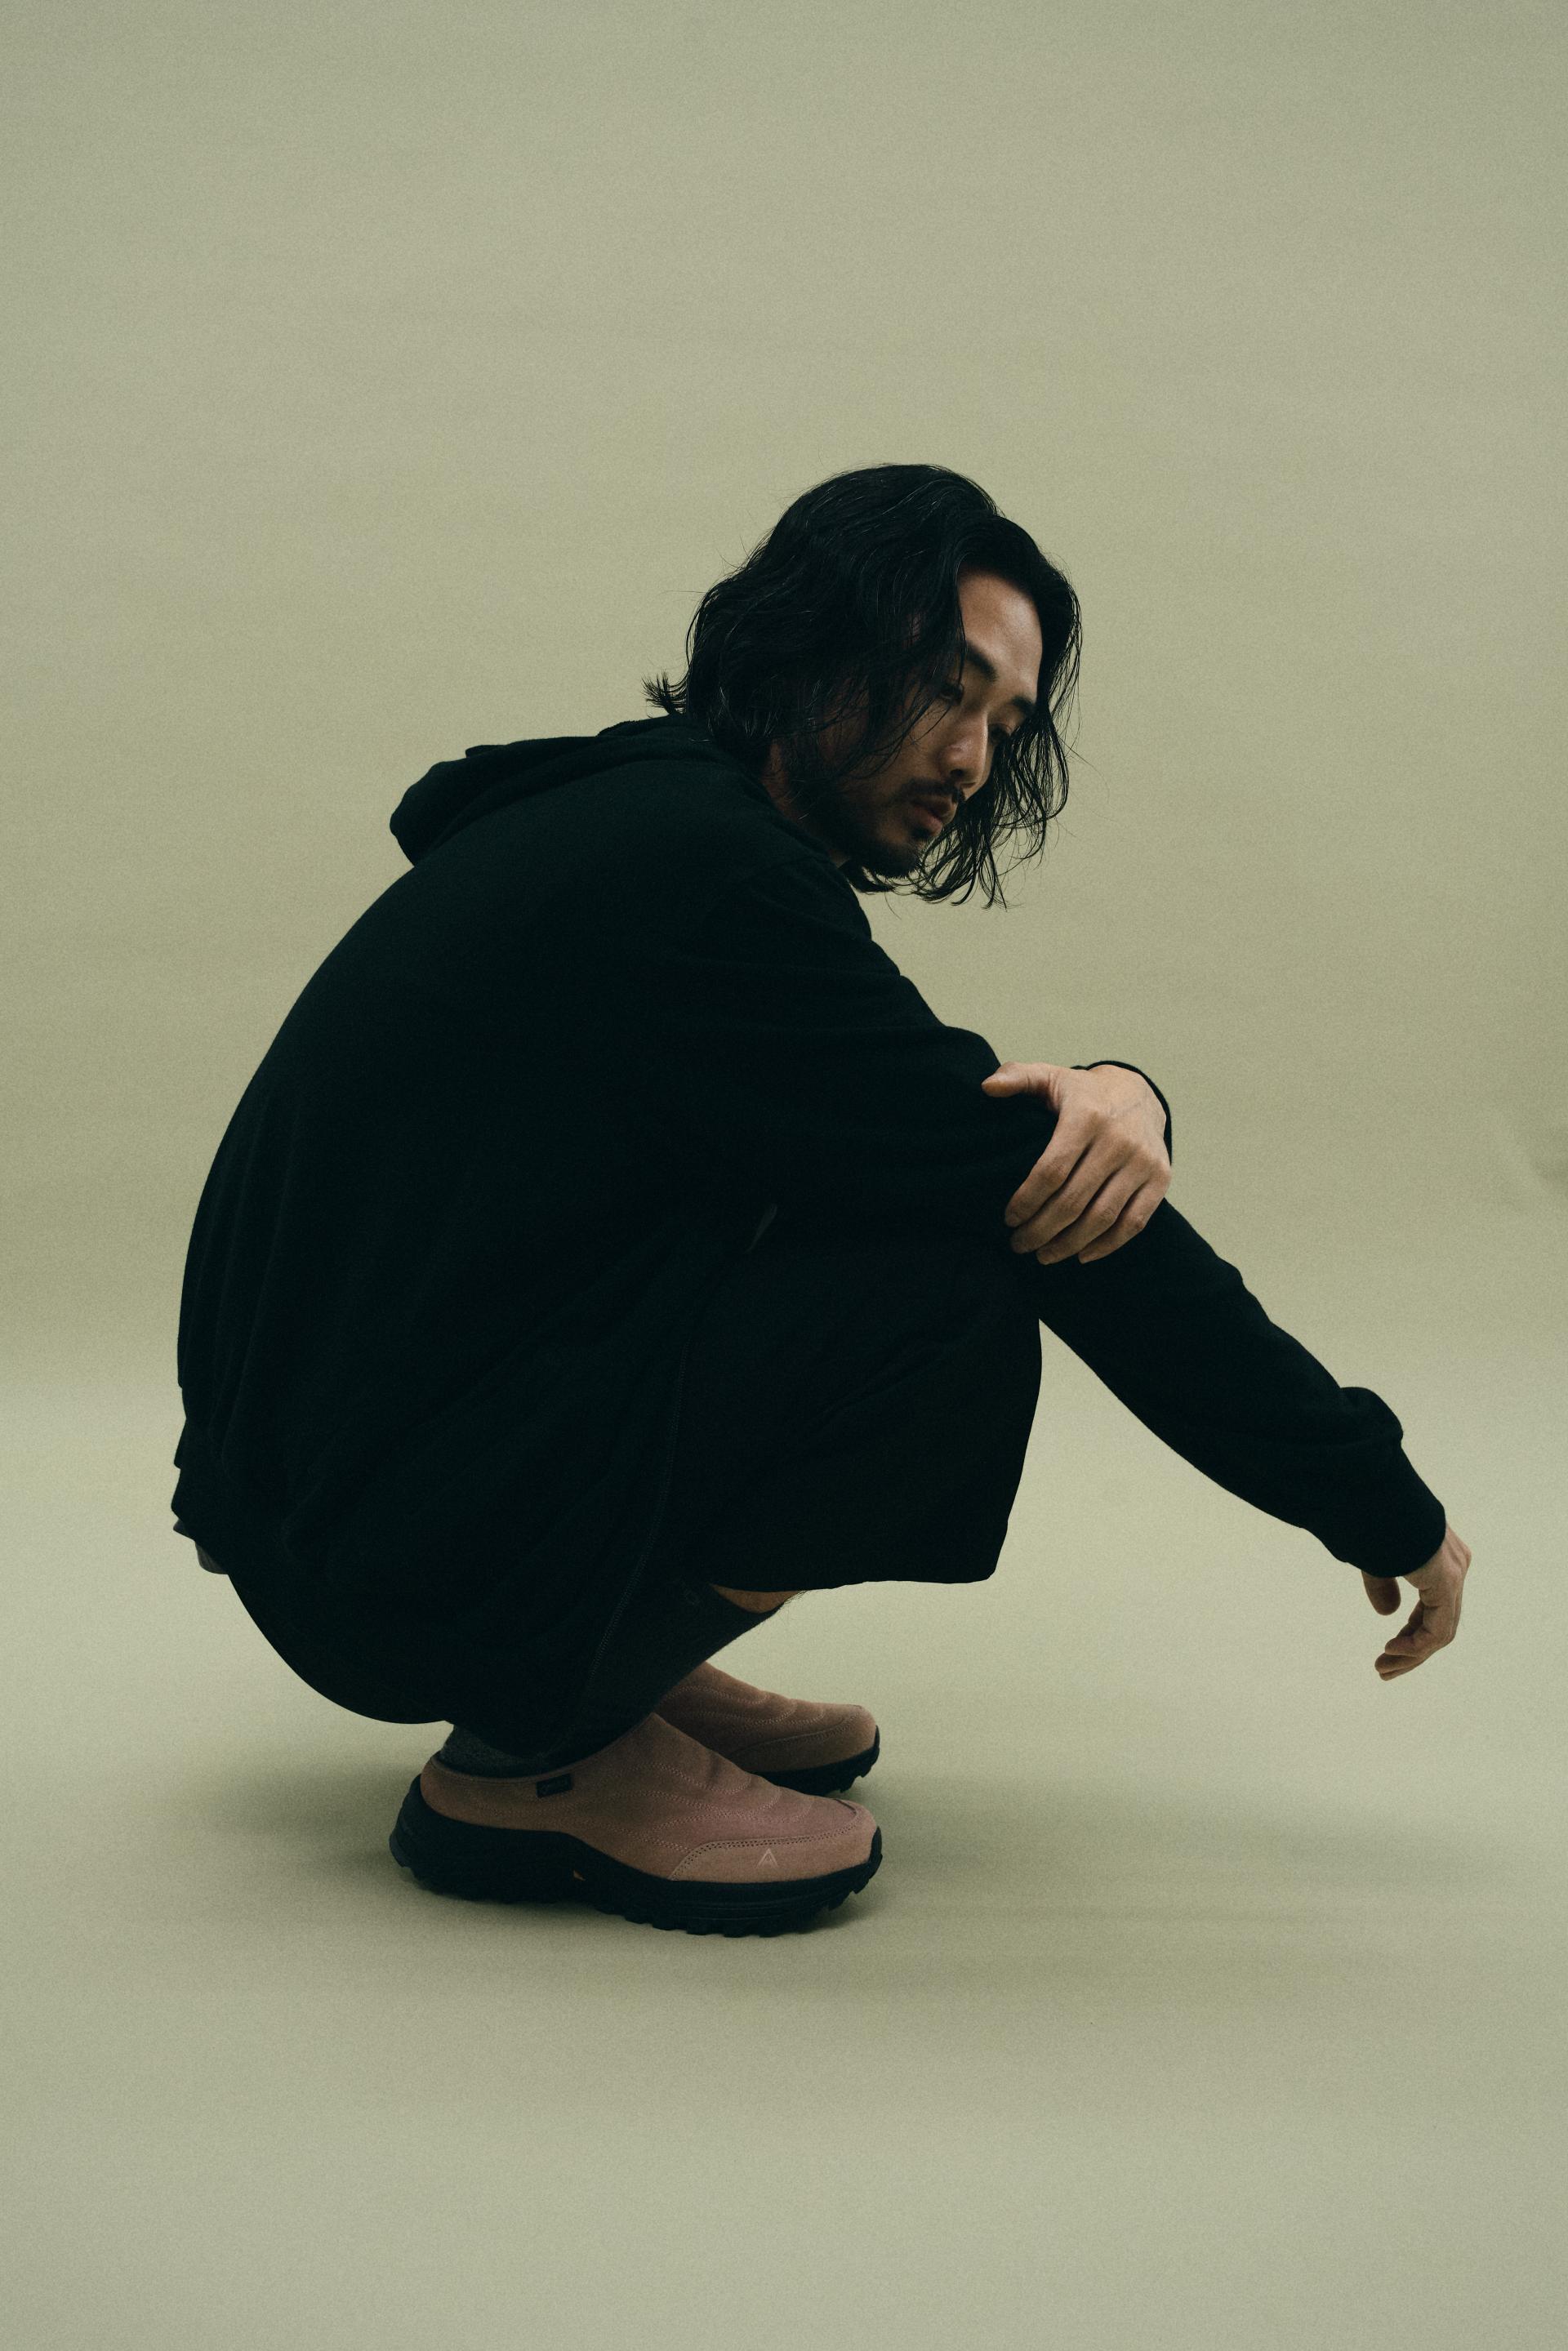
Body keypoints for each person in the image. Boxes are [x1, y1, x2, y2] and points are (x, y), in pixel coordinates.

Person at [170, 462, 1470, 1939]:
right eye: (946, 690)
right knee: (949, 1302)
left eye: (1007, 724)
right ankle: (546, 1740)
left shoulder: (633, 808)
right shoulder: (709, 880)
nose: (972, 758)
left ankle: (606, 1654)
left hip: (329, 1498)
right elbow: (1036, 1208)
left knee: (874, 1203)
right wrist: (1379, 1501)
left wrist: (1122, 1088)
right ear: (812, 645)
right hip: (383, 1563)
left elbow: (901, 1127)